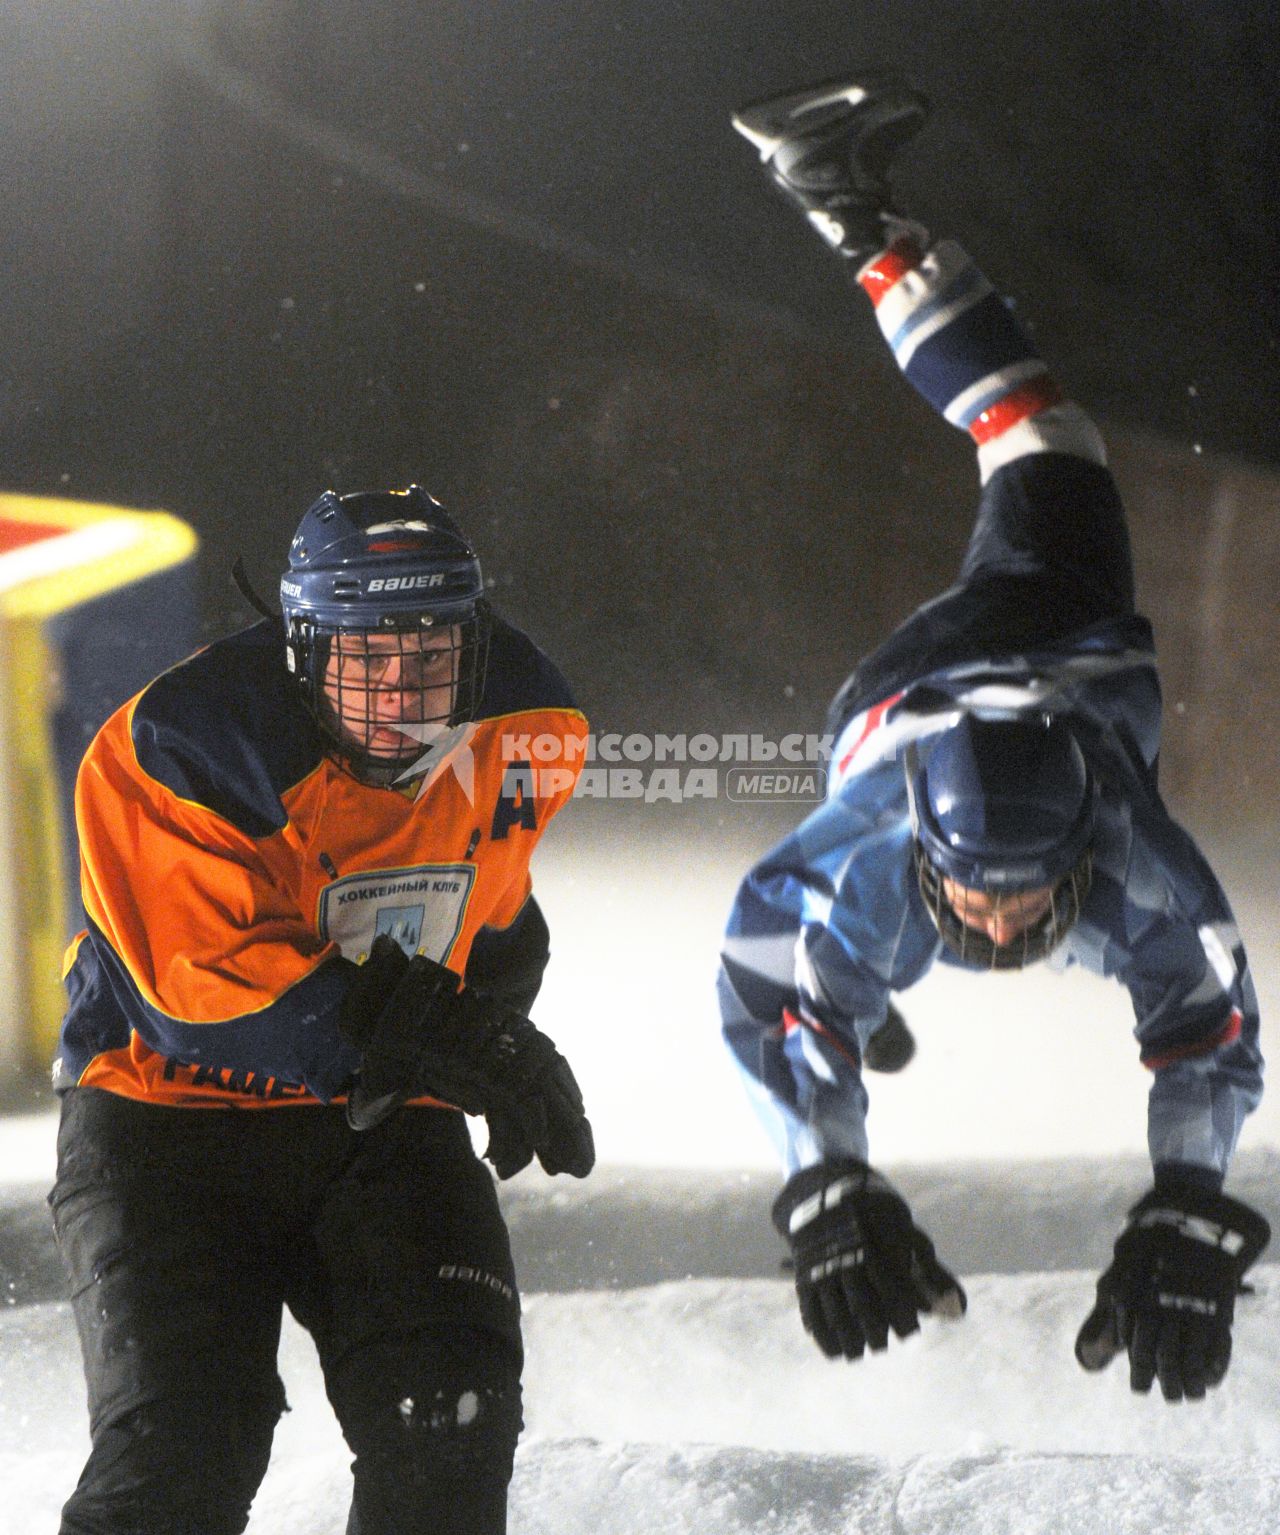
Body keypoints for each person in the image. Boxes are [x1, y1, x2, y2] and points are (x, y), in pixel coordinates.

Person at [718, 74, 1268, 1404]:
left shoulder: (1134, 864)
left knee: (853, 991)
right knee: (1037, 430)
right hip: (1018, 644)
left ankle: (842, 199)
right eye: (986, 890)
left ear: (1086, 841)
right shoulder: (900, 861)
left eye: (1023, 897)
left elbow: (1216, 1035)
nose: (1008, 921)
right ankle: (841, 200)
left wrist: (1187, 1199)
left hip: (994, 716)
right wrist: (821, 1169)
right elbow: (762, 976)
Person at [49, 484, 595, 1534]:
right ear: (302, 648)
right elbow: (202, 998)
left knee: (448, 1424)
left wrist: (490, 1025)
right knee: (185, 1451)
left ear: (473, 648)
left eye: (430, 655)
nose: (400, 691)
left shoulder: (528, 725)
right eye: (366, 659)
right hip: (167, 1121)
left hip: (377, 1115)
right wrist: (454, 1034)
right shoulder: (175, 746)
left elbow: (486, 914)